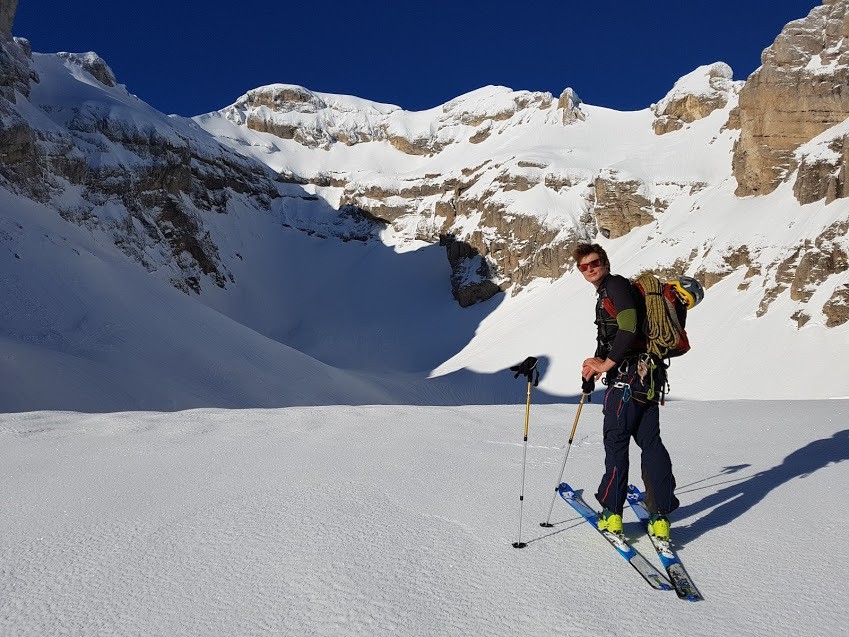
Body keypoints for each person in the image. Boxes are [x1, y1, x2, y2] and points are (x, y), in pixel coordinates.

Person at [575, 243, 679, 541]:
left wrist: (607, 364)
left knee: (617, 443)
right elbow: (614, 334)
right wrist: (598, 364)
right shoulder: (611, 290)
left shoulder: (616, 285)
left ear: (604, 262)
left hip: (627, 380)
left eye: (594, 263)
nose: (590, 269)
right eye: (583, 266)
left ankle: (612, 513)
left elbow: (629, 326)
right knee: (651, 443)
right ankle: (659, 517)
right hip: (647, 378)